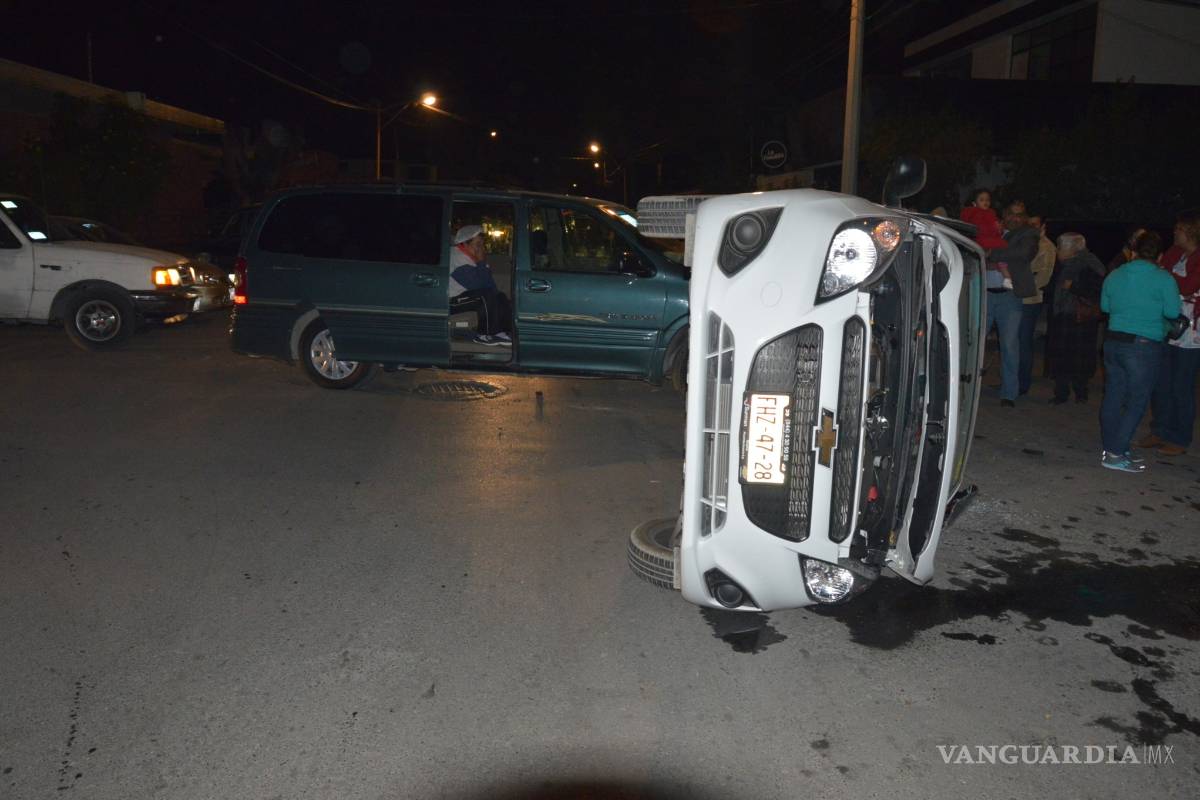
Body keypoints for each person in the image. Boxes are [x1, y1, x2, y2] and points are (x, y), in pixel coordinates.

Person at [1099, 231, 1180, 473]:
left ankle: (1113, 448)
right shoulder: (1163, 278)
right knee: (1137, 401)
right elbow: (1174, 312)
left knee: (1113, 395)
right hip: (1142, 345)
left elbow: (1105, 306)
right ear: (1160, 255)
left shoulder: (1115, 274)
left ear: (1133, 251)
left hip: (1113, 341)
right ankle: (1114, 453)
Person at [1140, 210, 1200, 456]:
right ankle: (1160, 430)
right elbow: (1164, 280)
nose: (1174, 233)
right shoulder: (1175, 254)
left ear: (1189, 232)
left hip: (1191, 334)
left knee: (1181, 386)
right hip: (1166, 325)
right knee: (1161, 382)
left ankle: (1179, 436)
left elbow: (1188, 285)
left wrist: (1167, 277)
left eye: (1178, 230)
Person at [984, 204, 1040, 406]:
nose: (1015, 218)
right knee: (975, 343)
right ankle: (965, 388)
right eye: (1011, 214)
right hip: (985, 295)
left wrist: (991, 254)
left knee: (1009, 345)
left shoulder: (1028, 234)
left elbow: (1023, 254)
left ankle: (1009, 393)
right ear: (1004, 215)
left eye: (1019, 215)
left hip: (1009, 296)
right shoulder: (991, 230)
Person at [1047, 233, 1105, 404]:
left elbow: (1096, 290)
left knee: (1078, 356)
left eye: (1060, 247)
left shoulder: (1089, 264)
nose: (1057, 251)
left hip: (1080, 317)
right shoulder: (1066, 264)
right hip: (1065, 315)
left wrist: (1074, 287)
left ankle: (1079, 392)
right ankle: (1062, 392)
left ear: (1070, 249)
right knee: (1063, 355)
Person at [448, 224, 512, 346]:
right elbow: (478, 286)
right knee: (485, 295)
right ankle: (486, 334)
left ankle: (504, 332)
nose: (481, 249)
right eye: (477, 245)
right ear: (464, 244)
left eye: (482, 245)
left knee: (500, 296)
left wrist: (481, 264)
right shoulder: (456, 257)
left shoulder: (473, 259)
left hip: (467, 297)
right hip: (452, 301)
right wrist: (481, 262)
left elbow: (492, 288)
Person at [1019, 213, 1057, 394]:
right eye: (1029, 223)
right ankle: (1013, 381)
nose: (1031, 226)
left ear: (1043, 226)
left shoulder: (1047, 247)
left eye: (1035, 224)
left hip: (1031, 299)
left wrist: (1021, 286)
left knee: (1024, 341)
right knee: (1015, 341)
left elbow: (1044, 277)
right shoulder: (1024, 240)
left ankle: (1023, 383)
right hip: (1017, 297)